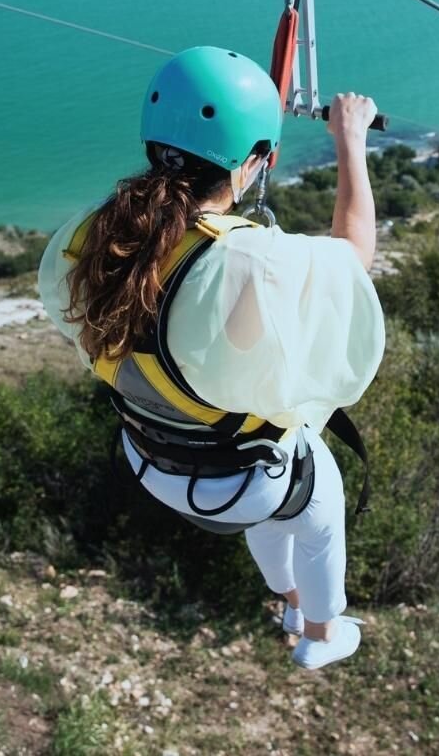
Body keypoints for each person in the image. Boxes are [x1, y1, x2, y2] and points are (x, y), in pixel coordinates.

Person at [38, 45, 385, 670]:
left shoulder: (92, 234)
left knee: (277, 503)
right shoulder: (245, 261)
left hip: (152, 460)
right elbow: (354, 256)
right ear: (256, 163)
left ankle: (285, 598)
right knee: (317, 499)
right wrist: (350, 140)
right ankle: (321, 635)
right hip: (235, 480)